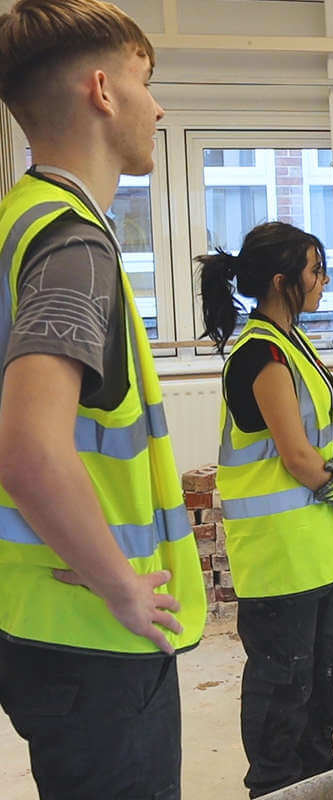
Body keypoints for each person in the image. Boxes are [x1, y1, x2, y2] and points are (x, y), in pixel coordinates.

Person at [0, 1, 207, 797]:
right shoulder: (73, 244)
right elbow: (28, 451)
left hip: (34, 619)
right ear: (102, 90)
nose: (158, 106)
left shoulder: (19, 221)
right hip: (95, 639)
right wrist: (121, 584)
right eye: (146, 82)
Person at [198, 221, 333, 798]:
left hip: (314, 546)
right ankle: (272, 785)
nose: (322, 282)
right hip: (278, 553)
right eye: (315, 271)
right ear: (280, 280)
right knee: (282, 683)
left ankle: (315, 772)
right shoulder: (261, 353)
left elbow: (311, 436)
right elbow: (294, 455)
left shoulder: (290, 340)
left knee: (331, 672)